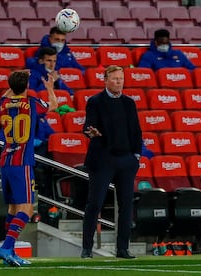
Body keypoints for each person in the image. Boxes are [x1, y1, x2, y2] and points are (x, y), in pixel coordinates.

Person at [0, 71, 57, 266]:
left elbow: (7, 94)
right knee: (27, 209)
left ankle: (10, 253)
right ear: (27, 86)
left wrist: (16, 82)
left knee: (13, 207)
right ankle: (6, 247)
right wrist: (49, 87)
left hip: (6, 161)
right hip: (22, 162)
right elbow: (53, 105)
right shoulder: (31, 103)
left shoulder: (3, 104)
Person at [81, 65, 142, 259]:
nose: (118, 82)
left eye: (121, 79)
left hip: (126, 159)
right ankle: (87, 248)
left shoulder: (129, 103)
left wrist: (136, 156)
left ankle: (123, 248)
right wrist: (91, 132)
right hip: (103, 159)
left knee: (126, 205)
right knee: (95, 204)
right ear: (105, 80)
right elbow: (88, 125)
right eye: (115, 79)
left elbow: (136, 131)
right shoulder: (95, 101)